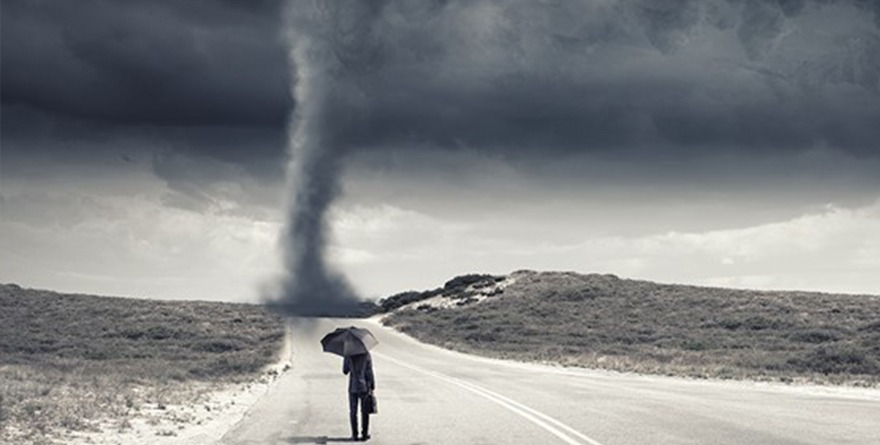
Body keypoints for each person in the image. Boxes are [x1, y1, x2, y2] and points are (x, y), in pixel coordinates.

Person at [343, 351, 375, 441]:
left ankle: (354, 434)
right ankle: (364, 434)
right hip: (363, 386)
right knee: (364, 411)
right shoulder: (366, 354)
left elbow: (345, 371)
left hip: (353, 386)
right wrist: (372, 385)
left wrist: (347, 361)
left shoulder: (348, 353)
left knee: (353, 411)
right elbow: (369, 371)